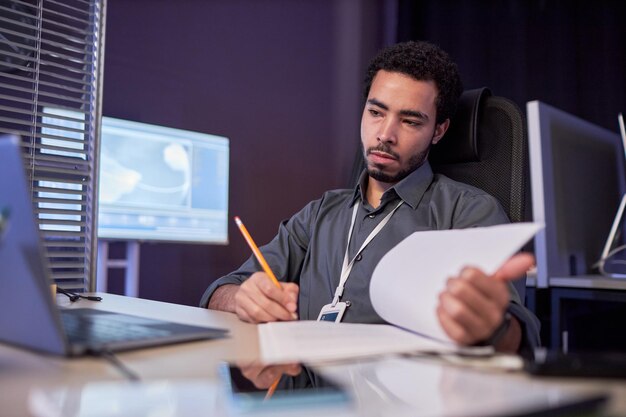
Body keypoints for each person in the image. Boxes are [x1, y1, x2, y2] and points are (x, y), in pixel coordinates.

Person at [200, 41, 540, 354]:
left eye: (409, 120)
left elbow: (518, 336)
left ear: (439, 130)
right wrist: (242, 298)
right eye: (376, 112)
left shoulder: (469, 213)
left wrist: (493, 329)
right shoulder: (320, 213)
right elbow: (222, 290)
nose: (385, 134)